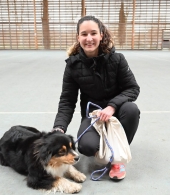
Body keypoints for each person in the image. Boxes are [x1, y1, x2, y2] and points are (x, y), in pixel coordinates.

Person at [52, 15, 140, 180]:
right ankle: (105, 147)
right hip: (93, 115)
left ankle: (117, 159)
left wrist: (112, 106)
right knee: (86, 146)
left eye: (93, 33)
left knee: (131, 110)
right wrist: (59, 128)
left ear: (101, 35)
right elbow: (67, 101)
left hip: (118, 111)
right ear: (78, 37)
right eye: (84, 34)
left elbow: (132, 88)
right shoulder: (73, 65)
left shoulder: (117, 59)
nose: (89, 38)